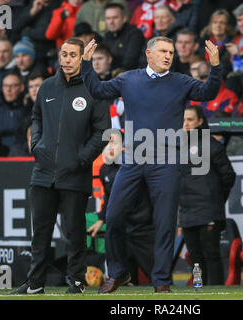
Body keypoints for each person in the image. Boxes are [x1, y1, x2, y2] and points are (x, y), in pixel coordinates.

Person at [81, 36, 222, 293]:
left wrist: (215, 66)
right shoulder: (129, 79)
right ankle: (118, 272)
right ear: (148, 54)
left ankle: (161, 282)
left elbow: (208, 93)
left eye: (171, 51)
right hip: (134, 158)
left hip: (167, 159)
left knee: (164, 223)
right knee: (113, 217)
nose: (169, 55)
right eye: (163, 51)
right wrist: (87, 64)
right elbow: (98, 90)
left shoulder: (180, 81)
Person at [10, 37, 110, 295]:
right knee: (40, 232)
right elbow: (36, 118)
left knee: (74, 233)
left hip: (75, 174)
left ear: (81, 58)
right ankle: (35, 284)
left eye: (72, 55)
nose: (66, 59)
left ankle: (75, 281)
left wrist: (81, 158)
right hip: (43, 173)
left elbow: (103, 132)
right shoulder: (46, 87)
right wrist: (37, 147)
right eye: (63, 54)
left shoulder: (94, 89)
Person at [88, 130, 155, 285]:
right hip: (121, 229)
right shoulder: (104, 169)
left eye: (114, 142)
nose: (109, 147)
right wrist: (101, 219)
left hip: (142, 228)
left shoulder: (135, 166)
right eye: (106, 143)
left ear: (123, 147)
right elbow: (109, 197)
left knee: (156, 275)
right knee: (126, 279)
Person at [179, 104, 236, 285]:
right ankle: (199, 291)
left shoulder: (212, 145)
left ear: (200, 121)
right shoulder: (176, 147)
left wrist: (217, 199)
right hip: (187, 211)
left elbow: (229, 176)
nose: (186, 124)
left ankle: (217, 292)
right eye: (183, 121)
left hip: (209, 210)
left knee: (211, 255)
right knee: (195, 259)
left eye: (190, 120)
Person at [0, 73, 30, 156]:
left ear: (22, 87)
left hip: (23, 154)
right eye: (5, 86)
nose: (8, 90)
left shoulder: (29, 109)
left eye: (13, 86)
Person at [103, 2, 145, 70]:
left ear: (124, 18)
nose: (111, 22)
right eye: (108, 18)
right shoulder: (107, 36)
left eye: (115, 17)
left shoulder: (135, 34)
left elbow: (130, 63)